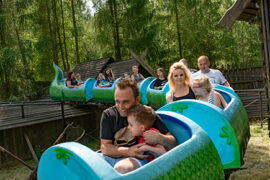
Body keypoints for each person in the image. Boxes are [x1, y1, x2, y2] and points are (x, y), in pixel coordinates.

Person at [99, 80, 177, 174]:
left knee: (122, 168)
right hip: (114, 156)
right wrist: (128, 151)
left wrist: (160, 138)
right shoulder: (109, 115)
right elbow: (105, 147)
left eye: (125, 102)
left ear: (137, 100)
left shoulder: (145, 114)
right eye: (117, 102)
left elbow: (173, 142)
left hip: (136, 159)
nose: (120, 106)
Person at [114, 104, 167, 174]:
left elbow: (163, 152)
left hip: (156, 167)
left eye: (131, 125)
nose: (128, 127)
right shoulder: (141, 136)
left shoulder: (152, 134)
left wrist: (148, 148)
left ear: (142, 128)